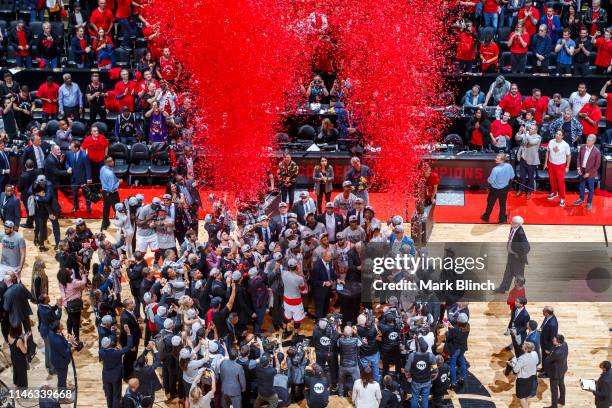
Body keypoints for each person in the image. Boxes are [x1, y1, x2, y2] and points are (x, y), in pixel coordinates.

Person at [100, 326, 133, 408]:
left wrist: (113, 332)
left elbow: (109, 345)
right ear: (110, 344)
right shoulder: (117, 353)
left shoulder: (101, 352)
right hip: (116, 376)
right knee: (116, 396)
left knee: (109, 395)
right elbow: (128, 347)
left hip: (106, 376)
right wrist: (128, 333)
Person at [496, 216, 530, 293]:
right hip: (511, 255)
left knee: (518, 276)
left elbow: (527, 247)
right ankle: (502, 289)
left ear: (518, 224)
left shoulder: (521, 234)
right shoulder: (512, 228)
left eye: (513, 223)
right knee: (508, 273)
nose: (511, 223)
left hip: (517, 258)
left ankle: (518, 292)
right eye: (511, 221)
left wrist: (519, 254)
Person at [481, 153, 514, 224]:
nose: (495, 159)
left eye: (497, 158)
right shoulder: (509, 166)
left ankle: (486, 217)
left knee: (490, 203)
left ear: (502, 160)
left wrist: (488, 179)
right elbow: (512, 176)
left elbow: (491, 180)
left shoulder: (495, 169)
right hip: (505, 188)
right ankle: (502, 219)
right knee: (503, 204)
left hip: (495, 190)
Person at [405, 337, 437, 408]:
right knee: (425, 398)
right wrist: (434, 376)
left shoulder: (412, 356)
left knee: (415, 398)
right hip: (427, 381)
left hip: (416, 381)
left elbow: (407, 370)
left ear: (418, 346)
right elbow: (435, 370)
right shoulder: (431, 356)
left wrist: (408, 377)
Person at [57, 267, 87, 342]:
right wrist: (83, 274)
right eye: (68, 271)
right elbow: (84, 282)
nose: (69, 270)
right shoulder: (73, 283)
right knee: (76, 323)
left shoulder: (61, 283)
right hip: (74, 305)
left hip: (66, 304)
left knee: (70, 319)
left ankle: (69, 334)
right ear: (67, 275)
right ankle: (76, 341)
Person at [544, 130, 571, 207]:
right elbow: (547, 152)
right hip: (551, 164)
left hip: (560, 165)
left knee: (561, 183)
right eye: (557, 134)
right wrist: (546, 163)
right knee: (552, 180)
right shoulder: (551, 141)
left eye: (559, 134)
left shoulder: (565, 145)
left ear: (562, 136)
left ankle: (562, 198)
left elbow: (568, 156)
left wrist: (567, 166)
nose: (557, 135)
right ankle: (554, 192)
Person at [574, 134, 601, 211]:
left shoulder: (597, 152)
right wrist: (578, 167)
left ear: (593, 141)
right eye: (587, 140)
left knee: (591, 188)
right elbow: (578, 158)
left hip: (591, 172)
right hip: (582, 169)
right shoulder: (582, 147)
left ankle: (589, 202)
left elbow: (597, 165)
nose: (587, 141)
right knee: (581, 185)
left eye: (589, 140)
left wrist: (589, 173)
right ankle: (581, 198)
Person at [37, 294, 61, 375]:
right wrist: (60, 308)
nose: (49, 297)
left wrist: (56, 306)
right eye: (47, 297)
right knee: (51, 350)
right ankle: (52, 369)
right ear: (44, 300)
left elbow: (51, 309)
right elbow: (57, 319)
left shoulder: (41, 306)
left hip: (43, 329)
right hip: (48, 332)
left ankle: (47, 364)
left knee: (47, 348)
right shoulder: (47, 311)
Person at [66, 140, 93, 213]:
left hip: (83, 179)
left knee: (86, 194)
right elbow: (67, 162)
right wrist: (68, 167)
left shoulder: (84, 155)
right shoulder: (69, 153)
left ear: (77, 148)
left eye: (72, 147)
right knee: (74, 194)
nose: (70, 148)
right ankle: (75, 206)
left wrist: (89, 178)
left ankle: (88, 207)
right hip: (73, 178)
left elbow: (88, 167)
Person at [509, 341, 538, 408]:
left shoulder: (522, 358)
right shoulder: (535, 353)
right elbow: (536, 361)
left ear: (525, 349)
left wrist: (511, 364)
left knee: (521, 397)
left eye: (523, 345)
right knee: (526, 394)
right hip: (532, 377)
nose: (522, 345)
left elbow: (515, 370)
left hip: (523, 380)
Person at [445, 313, 469, 389]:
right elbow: (458, 332)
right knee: (462, 362)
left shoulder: (454, 330)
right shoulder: (468, 326)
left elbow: (448, 337)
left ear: (459, 322)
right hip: (462, 347)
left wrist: (448, 329)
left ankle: (453, 383)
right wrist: (452, 328)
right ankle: (462, 378)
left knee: (452, 365)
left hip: (455, 349)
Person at [48, 320, 74, 389]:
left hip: (56, 358)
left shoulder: (51, 333)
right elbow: (66, 352)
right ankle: (62, 398)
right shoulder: (57, 341)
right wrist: (70, 343)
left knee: (62, 378)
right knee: (62, 380)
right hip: (61, 362)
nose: (63, 325)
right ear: (58, 329)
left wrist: (67, 341)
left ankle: (64, 388)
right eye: (61, 325)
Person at [544, 334, 568, 408]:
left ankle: (554, 406)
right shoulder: (564, 344)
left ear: (558, 342)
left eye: (554, 340)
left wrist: (550, 354)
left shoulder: (557, 353)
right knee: (561, 385)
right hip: (563, 368)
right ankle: (562, 400)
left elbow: (548, 360)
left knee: (554, 390)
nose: (552, 340)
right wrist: (551, 352)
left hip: (555, 373)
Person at [311, 250, 335, 318]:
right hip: (319, 292)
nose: (331, 258)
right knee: (319, 310)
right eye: (329, 257)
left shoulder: (329, 262)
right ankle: (318, 324)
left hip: (327, 290)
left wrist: (335, 279)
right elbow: (313, 281)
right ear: (324, 256)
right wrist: (324, 283)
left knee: (325, 307)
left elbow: (331, 273)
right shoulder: (317, 266)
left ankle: (324, 321)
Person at [100, 156, 120, 230]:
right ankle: (121, 225)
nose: (113, 162)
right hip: (112, 194)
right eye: (111, 161)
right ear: (106, 163)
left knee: (106, 208)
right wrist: (119, 183)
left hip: (104, 192)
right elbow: (112, 188)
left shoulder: (102, 168)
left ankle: (105, 224)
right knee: (117, 209)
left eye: (112, 160)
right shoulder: (110, 173)